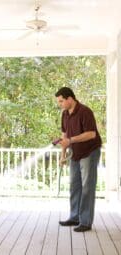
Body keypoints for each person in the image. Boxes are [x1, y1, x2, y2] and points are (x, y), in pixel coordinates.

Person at [55, 87, 102, 232]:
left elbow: (91, 134)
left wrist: (70, 140)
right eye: (59, 102)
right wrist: (63, 155)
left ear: (70, 99)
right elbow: (64, 137)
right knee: (74, 186)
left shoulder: (85, 112)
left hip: (89, 152)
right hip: (75, 152)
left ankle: (85, 222)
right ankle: (74, 217)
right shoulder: (65, 114)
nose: (60, 104)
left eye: (61, 101)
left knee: (87, 187)